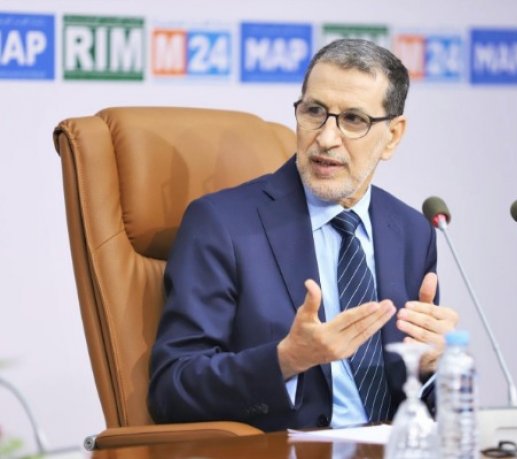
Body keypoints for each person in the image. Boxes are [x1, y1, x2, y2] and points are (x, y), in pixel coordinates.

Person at [148, 38, 459, 432]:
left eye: (353, 120)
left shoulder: (412, 232)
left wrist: (435, 367)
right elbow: (172, 388)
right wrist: (286, 360)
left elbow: (424, 406)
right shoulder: (223, 224)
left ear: (393, 136)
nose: (326, 138)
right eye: (314, 111)